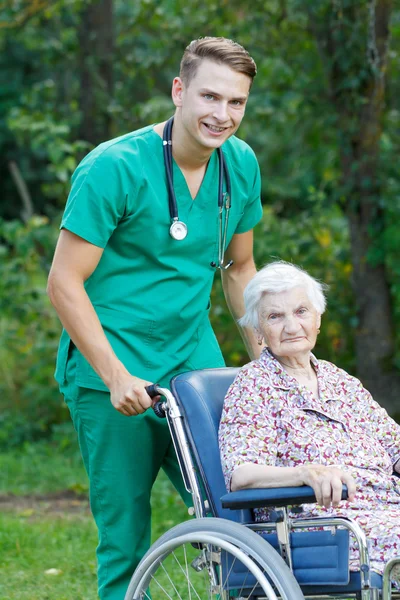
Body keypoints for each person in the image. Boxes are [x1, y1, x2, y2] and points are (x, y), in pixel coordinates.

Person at [47, 37, 263, 600]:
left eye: (236, 102)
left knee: (237, 505)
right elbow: (63, 283)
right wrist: (115, 375)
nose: (222, 114)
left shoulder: (238, 166)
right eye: (210, 96)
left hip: (192, 357)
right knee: (125, 536)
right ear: (179, 91)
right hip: (110, 361)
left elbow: (239, 269)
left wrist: (268, 364)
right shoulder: (114, 167)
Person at [219, 261, 400, 581]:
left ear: (318, 318)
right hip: (329, 527)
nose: (291, 326)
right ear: (258, 331)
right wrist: (303, 473)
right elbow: (240, 474)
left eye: (301, 311)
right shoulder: (253, 385)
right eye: (275, 316)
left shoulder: (341, 381)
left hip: (388, 510)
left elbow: (394, 445)